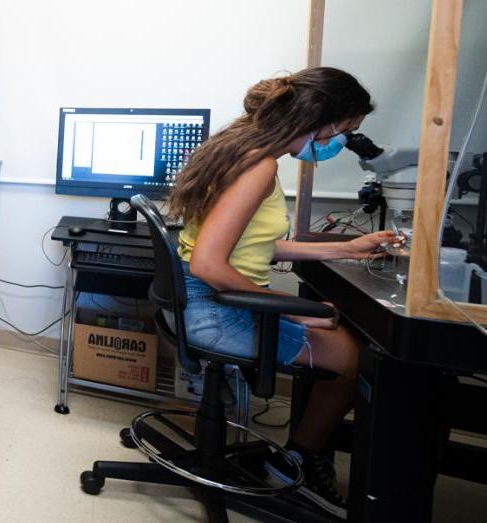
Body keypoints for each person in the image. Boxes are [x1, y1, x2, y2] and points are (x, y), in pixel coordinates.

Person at [168, 66, 399, 518]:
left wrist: (346, 248)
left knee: (339, 335)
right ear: (321, 121)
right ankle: (297, 461)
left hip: (202, 300)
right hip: (216, 311)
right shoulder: (260, 165)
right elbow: (209, 263)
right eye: (345, 131)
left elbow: (252, 242)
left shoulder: (245, 151)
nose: (341, 142)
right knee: (361, 362)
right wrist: (294, 311)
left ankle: (296, 456)